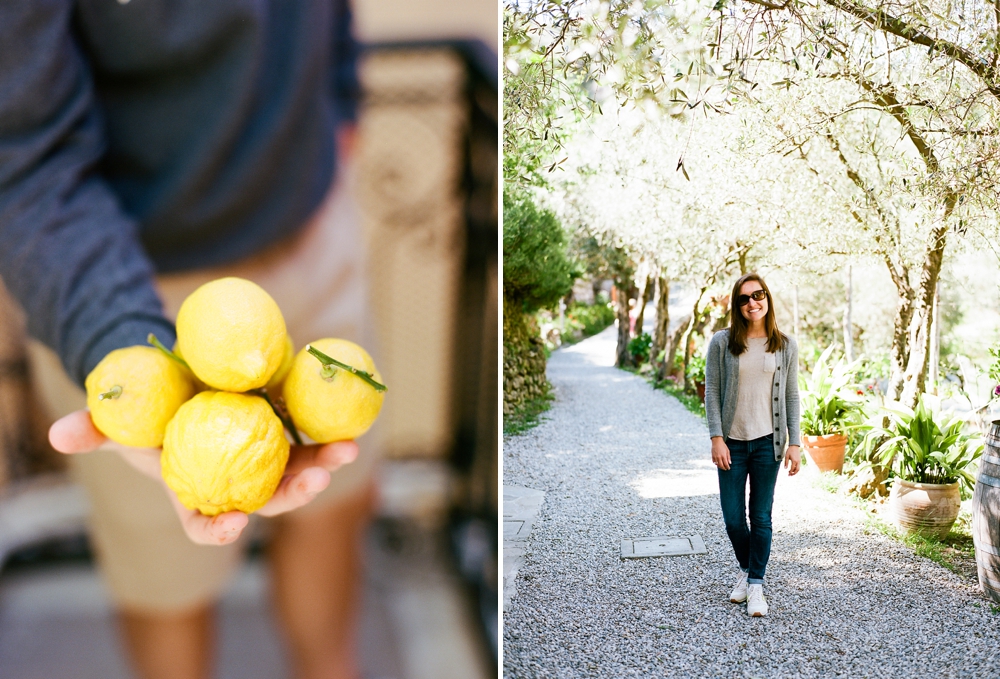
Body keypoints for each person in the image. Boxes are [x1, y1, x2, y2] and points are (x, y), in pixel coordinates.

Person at [0, 3, 375, 678]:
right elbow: (22, 160)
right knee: (167, 581)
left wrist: (343, 96)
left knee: (332, 507)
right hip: (136, 285)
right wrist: (121, 340)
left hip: (313, 228)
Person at [704, 272, 801, 618]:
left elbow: (791, 396)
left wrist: (796, 443)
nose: (752, 303)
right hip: (731, 443)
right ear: (736, 305)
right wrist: (717, 437)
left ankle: (756, 583)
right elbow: (712, 392)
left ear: (768, 298)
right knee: (733, 519)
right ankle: (748, 569)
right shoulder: (722, 342)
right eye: (744, 299)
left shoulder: (785, 345)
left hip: (767, 444)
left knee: (760, 516)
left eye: (757, 295)